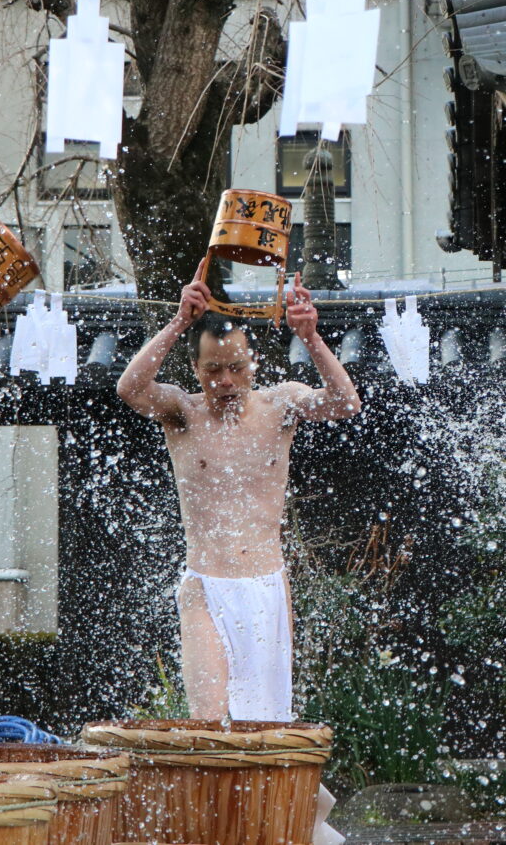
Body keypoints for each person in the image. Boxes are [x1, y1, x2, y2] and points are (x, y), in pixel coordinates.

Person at [116, 268, 361, 721]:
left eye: (235, 368)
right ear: (196, 369)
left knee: (265, 729)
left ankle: (313, 795)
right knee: (210, 724)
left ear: (253, 365)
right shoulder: (182, 412)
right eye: (213, 370)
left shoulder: (280, 405)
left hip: (266, 583)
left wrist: (310, 338)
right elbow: (129, 388)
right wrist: (177, 323)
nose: (225, 380)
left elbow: (346, 403)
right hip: (206, 583)